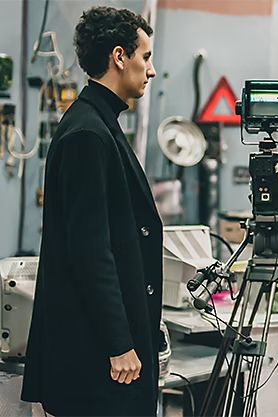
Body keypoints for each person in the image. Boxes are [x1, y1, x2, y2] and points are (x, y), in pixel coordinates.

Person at [21, 6, 161, 416]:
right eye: (146, 57)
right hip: (98, 358)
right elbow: (91, 251)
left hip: (106, 350)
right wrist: (120, 343)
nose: (150, 71)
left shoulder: (100, 123)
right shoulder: (88, 134)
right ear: (120, 57)